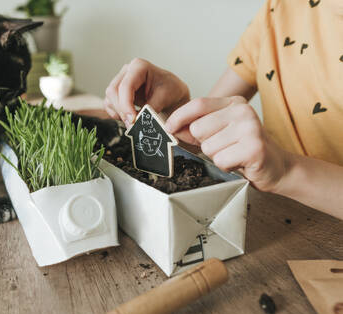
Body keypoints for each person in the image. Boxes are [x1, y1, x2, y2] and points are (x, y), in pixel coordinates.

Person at [104, 0, 343, 219]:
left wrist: (286, 171)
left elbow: (276, 168)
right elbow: (204, 137)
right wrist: (174, 110)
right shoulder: (281, 8)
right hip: (276, 215)